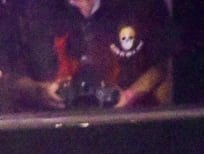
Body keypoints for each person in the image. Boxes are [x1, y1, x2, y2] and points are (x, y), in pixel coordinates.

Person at [14, 0, 177, 110]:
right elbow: (11, 75)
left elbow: (162, 64)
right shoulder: (30, 7)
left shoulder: (144, 5)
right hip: (51, 132)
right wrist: (39, 91)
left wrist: (129, 96)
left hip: (128, 130)